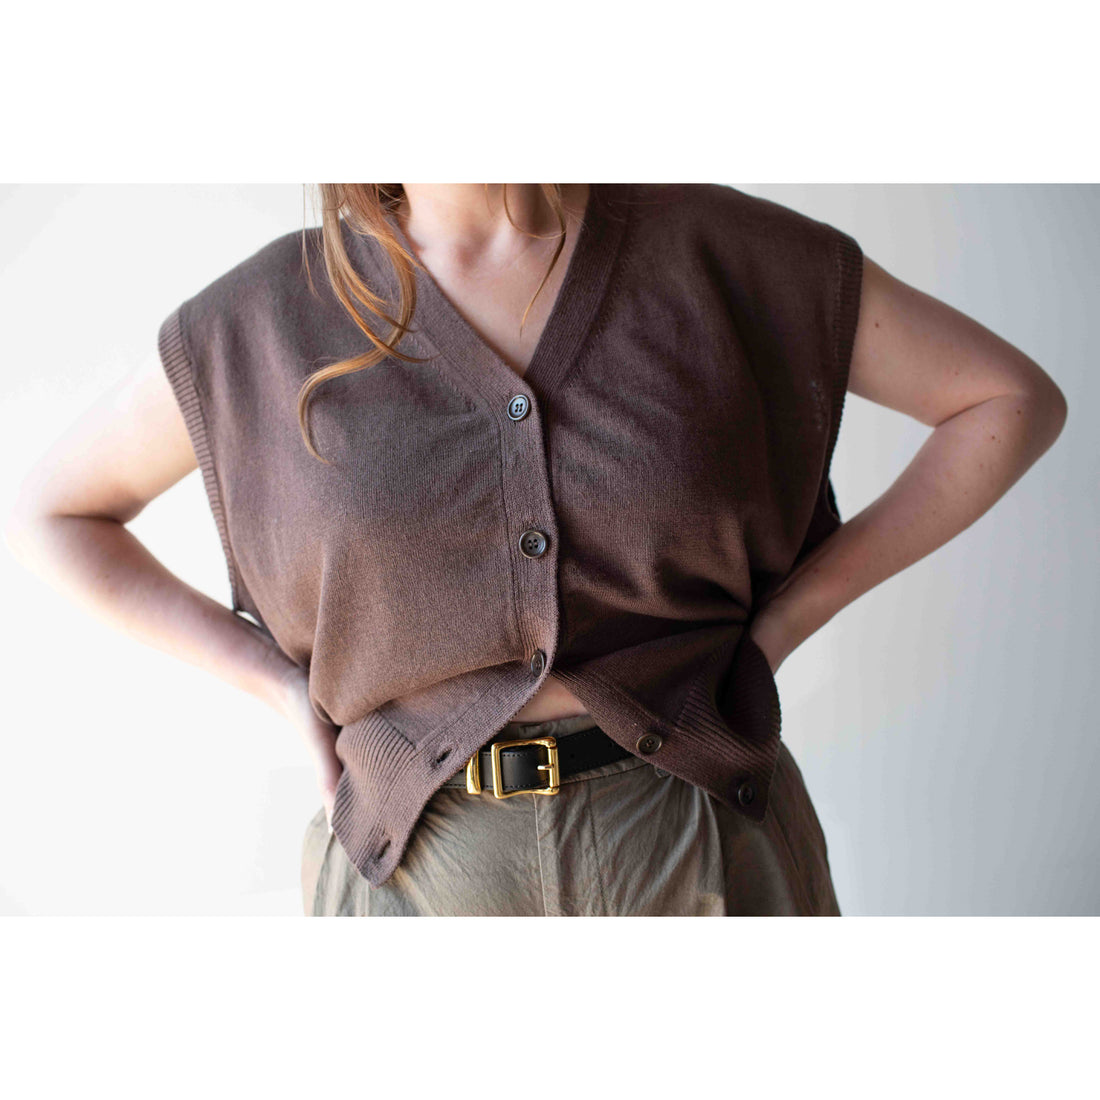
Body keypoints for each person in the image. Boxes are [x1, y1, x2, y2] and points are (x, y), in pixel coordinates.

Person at [4, 183, 1067, 916]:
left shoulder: (723, 252)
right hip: (415, 872)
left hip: (695, 843)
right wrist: (278, 688)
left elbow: (1005, 398)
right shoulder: (259, 320)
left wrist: (785, 622)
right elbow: (57, 513)